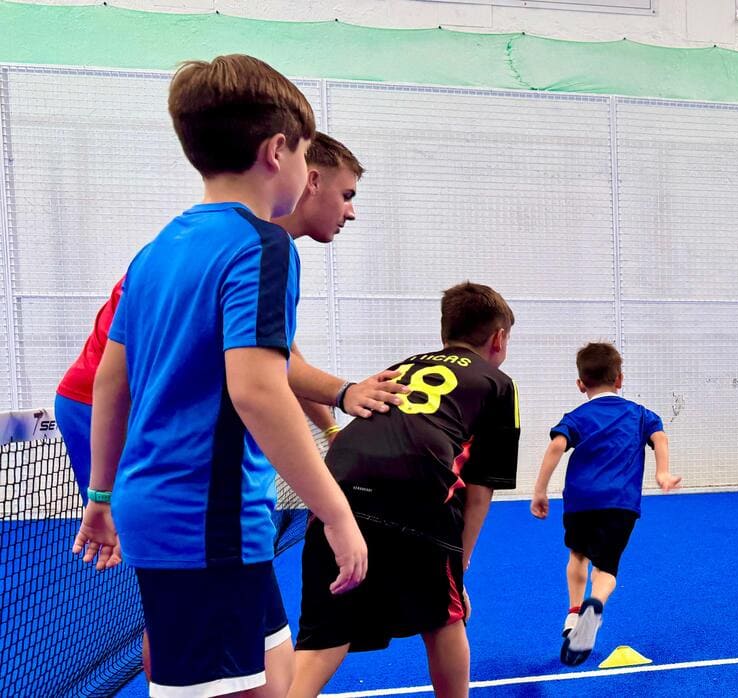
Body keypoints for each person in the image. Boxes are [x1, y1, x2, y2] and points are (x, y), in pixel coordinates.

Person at [72, 54, 368, 697]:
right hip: (204, 523)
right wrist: (336, 511)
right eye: (305, 155)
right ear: (277, 151)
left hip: (198, 518)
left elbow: (110, 384)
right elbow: (259, 390)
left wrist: (100, 501)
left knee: (276, 672)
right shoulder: (262, 246)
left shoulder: (156, 250)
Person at [54, 131, 404, 504]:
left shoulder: (259, 250)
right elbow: (261, 375)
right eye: (346, 195)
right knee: (135, 536)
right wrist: (345, 392)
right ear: (311, 179)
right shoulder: (256, 248)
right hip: (104, 404)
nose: (351, 211)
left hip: (140, 405)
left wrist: (331, 430)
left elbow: (280, 355)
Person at [290, 281, 521, 698]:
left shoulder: (404, 366)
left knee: (324, 635)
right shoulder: (498, 383)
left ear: (444, 333)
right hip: (416, 490)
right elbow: (482, 488)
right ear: (499, 339)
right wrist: (459, 565)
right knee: (445, 619)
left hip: (334, 489)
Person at [530, 341, 682, 666]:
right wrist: (663, 472)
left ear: (581, 384)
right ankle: (594, 605)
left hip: (580, 503)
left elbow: (557, 446)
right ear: (620, 379)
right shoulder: (640, 414)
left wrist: (540, 490)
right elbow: (661, 438)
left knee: (577, 555)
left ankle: (573, 614)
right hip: (621, 504)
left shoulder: (578, 416)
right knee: (607, 569)